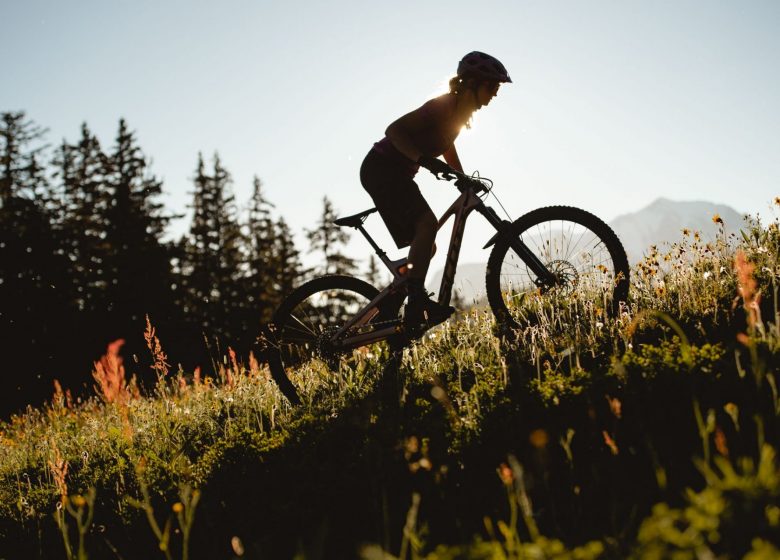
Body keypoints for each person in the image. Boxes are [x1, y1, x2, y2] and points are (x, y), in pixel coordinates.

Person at [360, 51, 511, 328]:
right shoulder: (442, 106)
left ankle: (394, 301)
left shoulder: (458, 116)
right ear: (474, 84)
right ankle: (416, 303)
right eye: (493, 86)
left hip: (395, 173)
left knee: (426, 245)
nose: (495, 94)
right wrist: (424, 161)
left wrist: (461, 176)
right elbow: (394, 130)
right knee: (426, 224)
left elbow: (445, 146)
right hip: (381, 169)